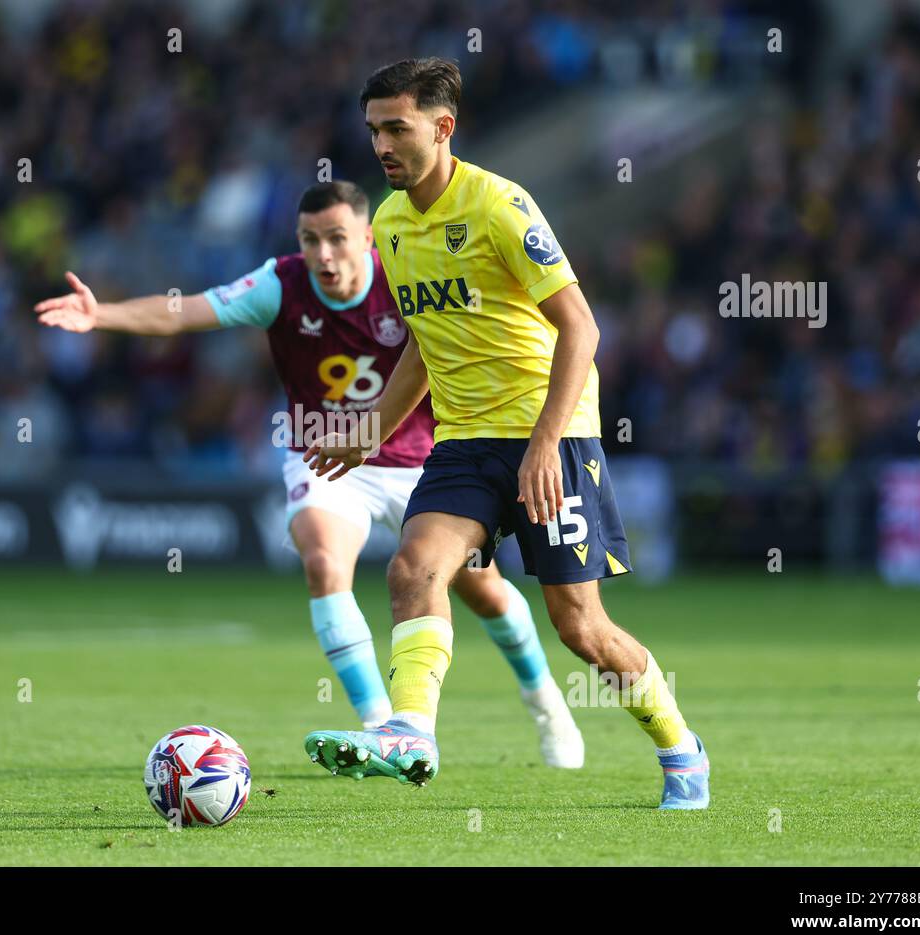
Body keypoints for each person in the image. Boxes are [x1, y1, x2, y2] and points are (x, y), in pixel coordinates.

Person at [35, 180, 584, 767]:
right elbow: (186, 310)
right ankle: (380, 727)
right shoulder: (282, 283)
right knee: (324, 562)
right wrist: (104, 315)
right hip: (326, 459)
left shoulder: (405, 274)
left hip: (421, 460)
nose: (323, 255)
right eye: (310, 240)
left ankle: (544, 699)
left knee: (485, 592)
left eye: (337, 239)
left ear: (366, 238)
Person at [303, 59, 709, 808]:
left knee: (580, 628)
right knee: (412, 569)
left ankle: (681, 747)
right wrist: (372, 430)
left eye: (397, 128)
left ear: (442, 127)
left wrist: (547, 444)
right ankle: (411, 735)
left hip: (550, 437)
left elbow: (581, 328)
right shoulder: (390, 223)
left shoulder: (499, 206)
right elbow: (425, 344)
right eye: (374, 131)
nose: (382, 146)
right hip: (462, 442)